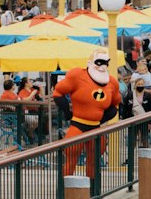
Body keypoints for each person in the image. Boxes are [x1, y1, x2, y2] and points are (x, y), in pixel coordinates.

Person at [52, 48, 122, 176]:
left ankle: (94, 192)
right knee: (71, 159)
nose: (103, 66)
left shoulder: (112, 83)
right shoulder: (77, 75)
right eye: (99, 62)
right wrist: (68, 113)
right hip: (78, 125)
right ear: (91, 62)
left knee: (94, 162)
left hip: (96, 127)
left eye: (106, 62)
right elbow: (58, 92)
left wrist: (101, 119)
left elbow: (115, 104)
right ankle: (64, 192)